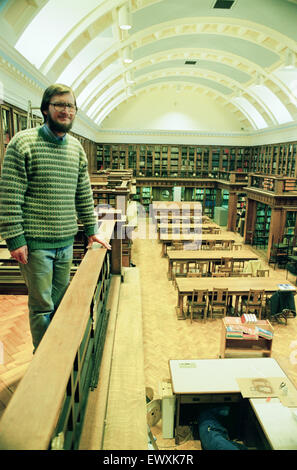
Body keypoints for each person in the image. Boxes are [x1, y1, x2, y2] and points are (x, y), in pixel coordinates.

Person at [0, 84, 111, 351]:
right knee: (42, 306)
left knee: (61, 302)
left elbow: (83, 193)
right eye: (59, 104)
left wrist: (92, 229)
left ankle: (59, 351)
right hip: (35, 245)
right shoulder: (23, 143)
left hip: (66, 241)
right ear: (45, 109)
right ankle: (44, 358)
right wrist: (15, 239)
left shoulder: (76, 149)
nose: (66, 110)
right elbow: (9, 196)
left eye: (71, 106)